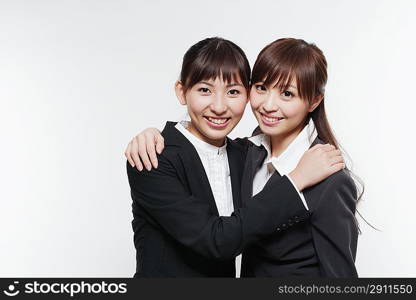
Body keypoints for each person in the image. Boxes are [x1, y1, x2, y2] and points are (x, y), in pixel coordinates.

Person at [126, 38, 360, 277]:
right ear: (182, 91)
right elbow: (217, 239)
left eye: (233, 92)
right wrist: (150, 134)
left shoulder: (246, 155)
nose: (219, 106)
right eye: (205, 90)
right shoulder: (152, 157)